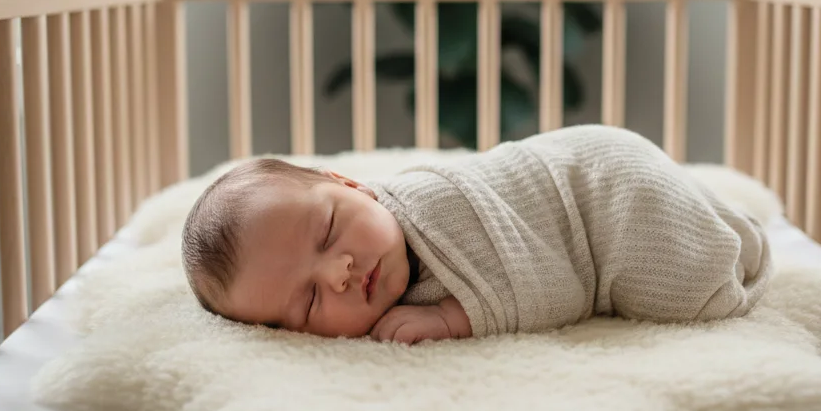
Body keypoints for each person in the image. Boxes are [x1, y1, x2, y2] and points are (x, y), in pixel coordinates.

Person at [181, 125, 773, 345]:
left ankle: (727, 240)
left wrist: (451, 318)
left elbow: (549, 282)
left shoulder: (434, 204)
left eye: (330, 229)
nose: (339, 272)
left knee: (687, 294)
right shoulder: (379, 255)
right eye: (309, 301)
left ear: (350, 183)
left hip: (606, 188)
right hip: (593, 177)